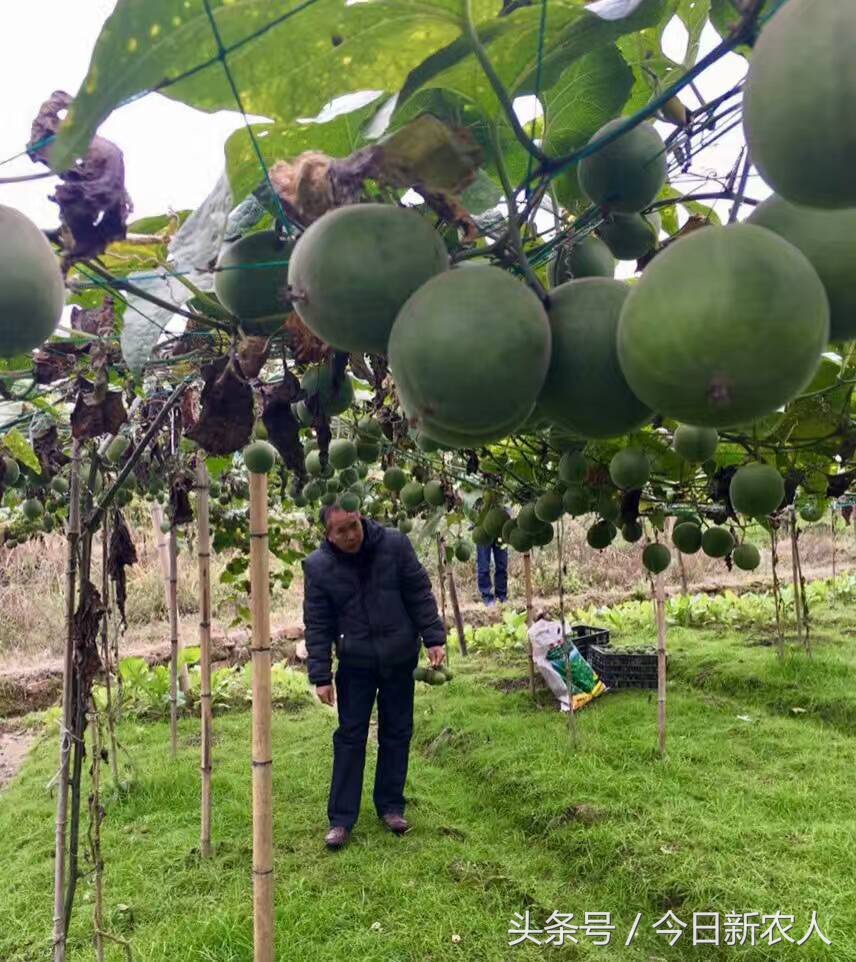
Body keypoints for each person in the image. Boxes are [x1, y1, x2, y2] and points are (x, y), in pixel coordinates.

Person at [302, 504, 447, 850]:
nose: (351, 535)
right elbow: (318, 624)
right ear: (328, 534)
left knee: (397, 731)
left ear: (361, 518)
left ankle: (391, 807)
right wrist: (321, 675)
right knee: (350, 736)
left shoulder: (394, 544)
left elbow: (418, 592)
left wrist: (434, 637)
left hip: (399, 656)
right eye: (341, 531)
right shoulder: (318, 567)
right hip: (355, 663)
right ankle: (341, 819)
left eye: (354, 525)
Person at [477, 537, 508, 606]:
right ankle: (487, 597)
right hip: (483, 533)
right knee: (483, 566)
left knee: (502, 566)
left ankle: (501, 596)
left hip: (500, 533)